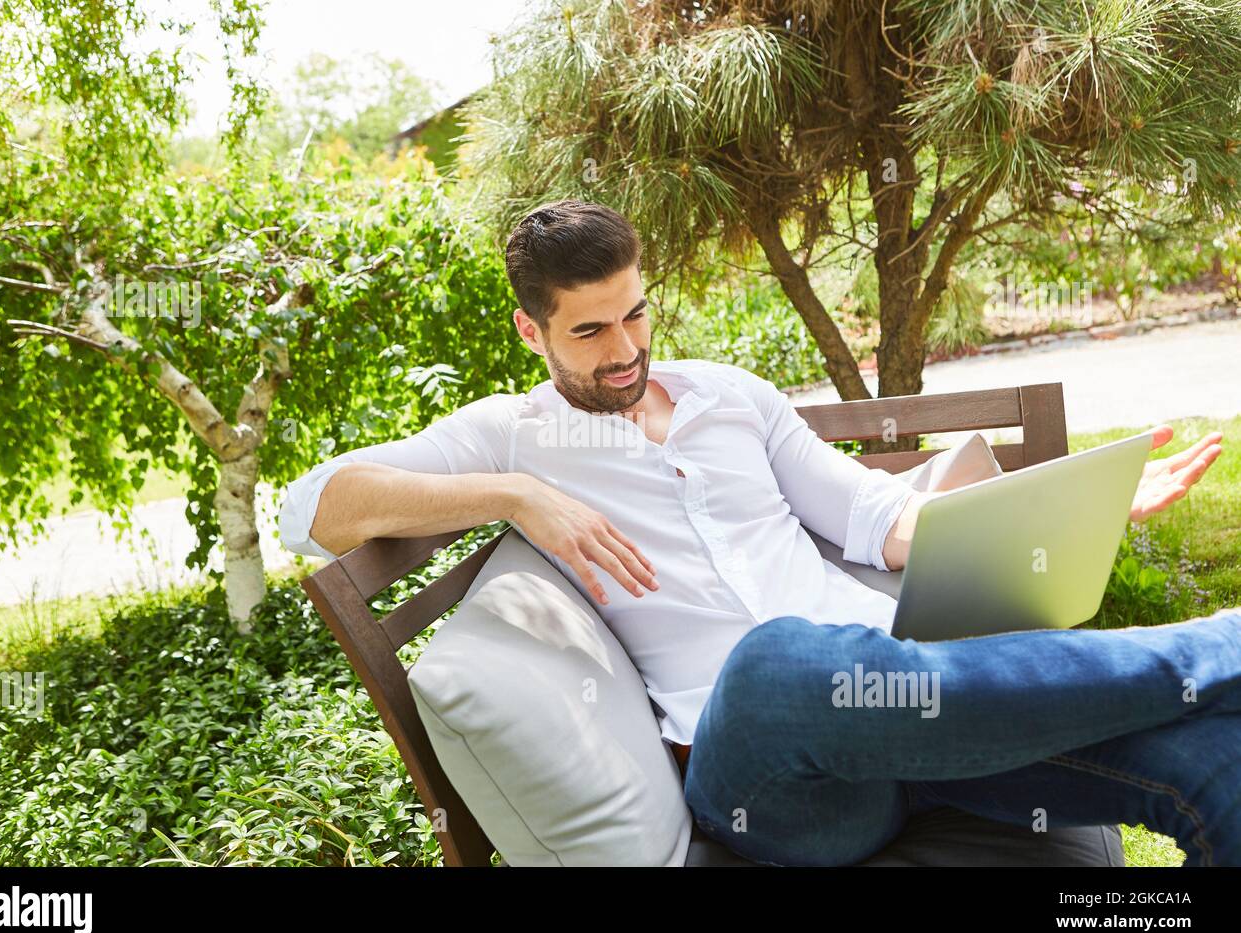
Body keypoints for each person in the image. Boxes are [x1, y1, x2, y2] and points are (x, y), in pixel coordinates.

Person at [278, 199, 1237, 866]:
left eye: (636, 313)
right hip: (771, 772)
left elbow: (878, 519)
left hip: (905, 709)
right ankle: (1218, 643)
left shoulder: (732, 398)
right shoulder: (512, 435)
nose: (625, 349)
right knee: (780, 660)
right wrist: (516, 497)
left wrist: (1073, 501)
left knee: (1213, 770)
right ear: (533, 333)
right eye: (590, 332)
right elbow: (311, 510)